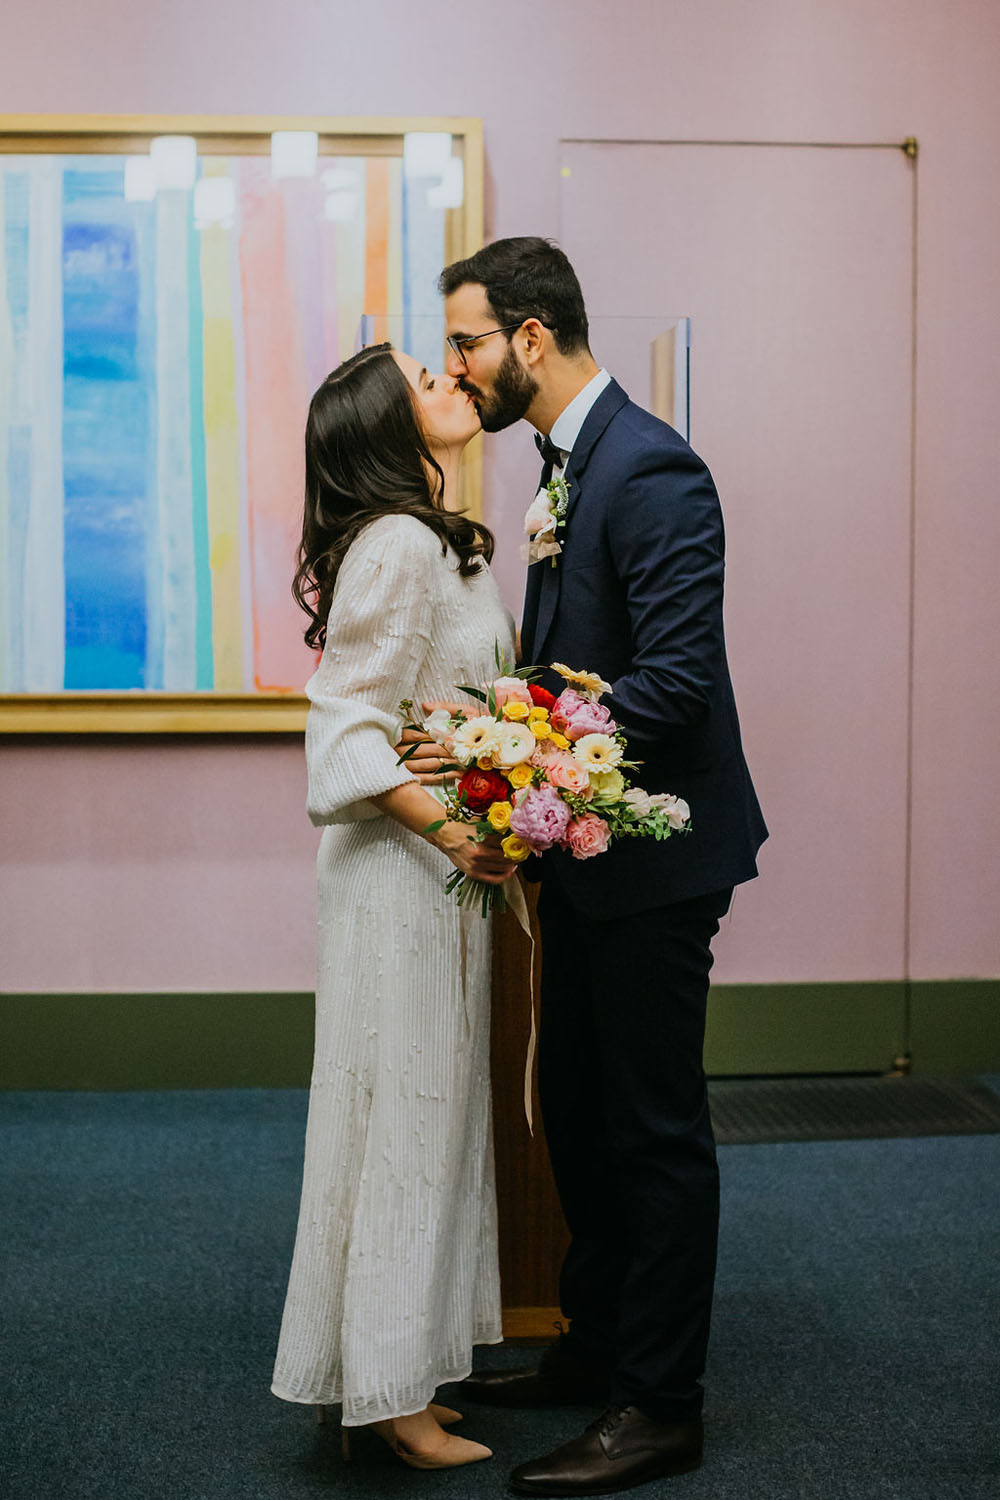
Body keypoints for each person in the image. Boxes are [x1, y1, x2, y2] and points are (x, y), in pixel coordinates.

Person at [404, 237, 768, 1495]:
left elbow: (670, 683)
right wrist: (490, 742)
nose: (456, 365)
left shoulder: (653, 467)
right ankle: (595, 1349)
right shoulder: (569, 466)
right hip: (589, 861)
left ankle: (661, 1407)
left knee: (653, 1132)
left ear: (532, 339)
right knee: (576, 1114)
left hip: (659, 862)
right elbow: (577, 666)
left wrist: (520, 753)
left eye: (466, 341)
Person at [270, 342, 518, 1470]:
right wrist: (459, 828)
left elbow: (443, 708)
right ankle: (385, 1401)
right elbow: (344, 734)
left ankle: (394, 1364)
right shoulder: (400, 544)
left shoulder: (437, 544)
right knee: (402, 1121)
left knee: (429, 1113)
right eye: (429, 377)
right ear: (386, 429)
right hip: (397, 878)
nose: (454, 381)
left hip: (435, 879)